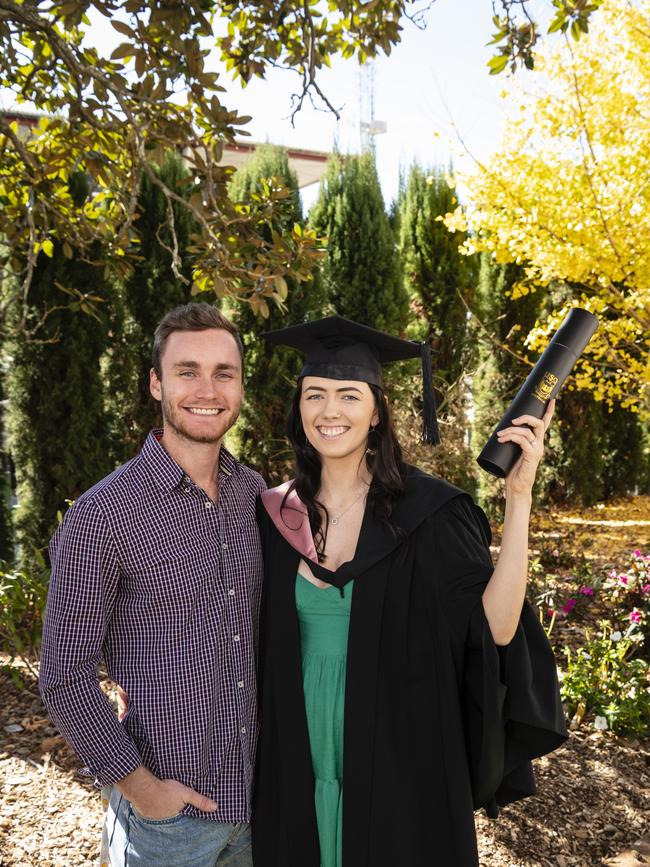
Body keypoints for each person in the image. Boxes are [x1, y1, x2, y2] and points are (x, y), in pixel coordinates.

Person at [252, 316, 568, 867]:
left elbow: (495, 627)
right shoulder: (275, 514)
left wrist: (520, 499)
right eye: (315, 394)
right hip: (297, 754)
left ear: (377, 412)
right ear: (298, 409)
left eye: (349, 395)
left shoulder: (429, 514)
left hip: (398, 761)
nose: (330, 411)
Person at [39, 303, 265, 867]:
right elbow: (65, 677)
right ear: (156, 382)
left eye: (224, 373)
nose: (207, 389)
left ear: (239, 387)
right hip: (169, 826)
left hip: (265, 810)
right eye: (187, 371)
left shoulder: (255, 495)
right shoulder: (105, 514)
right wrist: (143, 790)